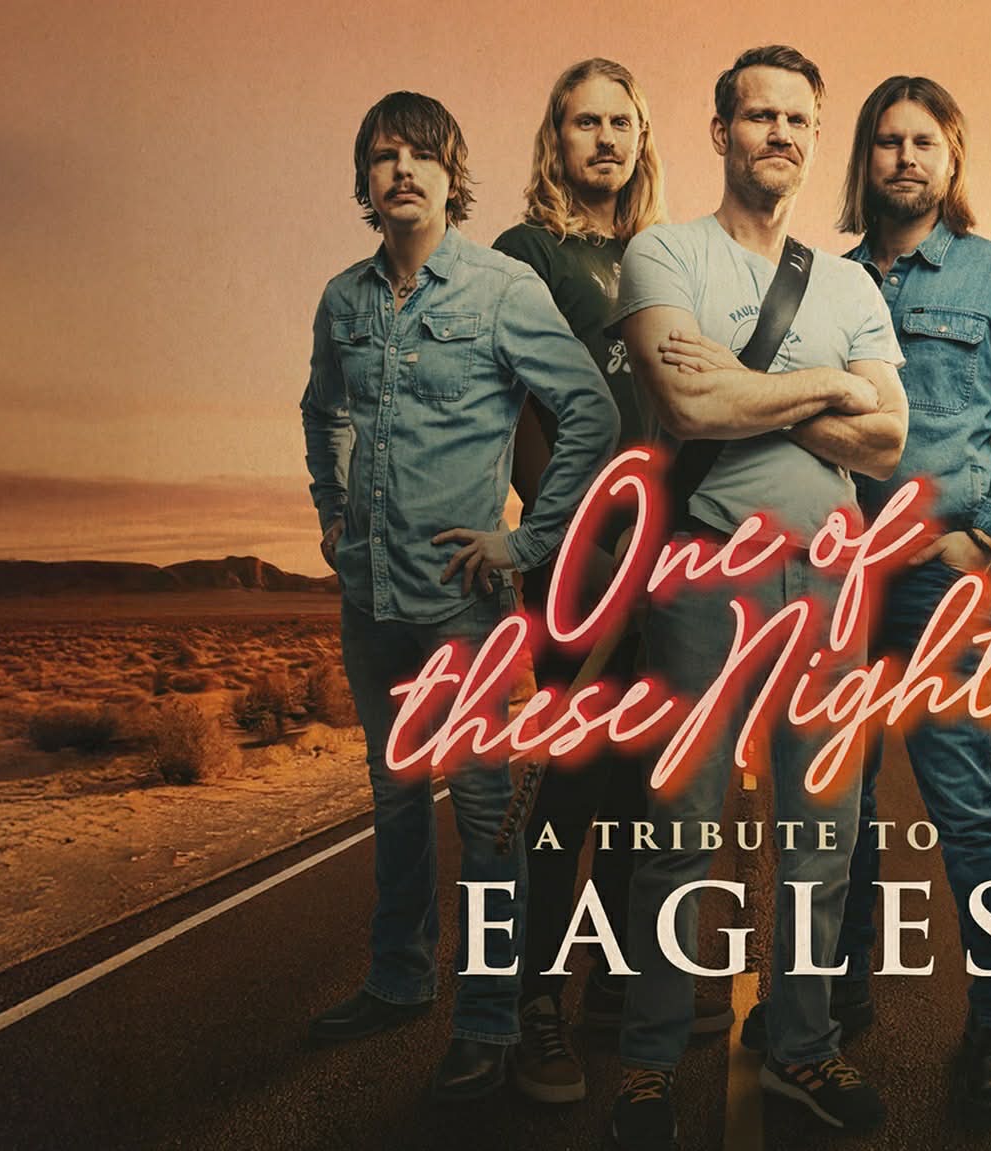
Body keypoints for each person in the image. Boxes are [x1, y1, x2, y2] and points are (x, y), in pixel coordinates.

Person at [604, 44, 908, 1150]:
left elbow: (887, 439)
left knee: (819, 830)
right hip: (701, 569)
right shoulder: (663, 253)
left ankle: (799, 1045)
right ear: (721, 132)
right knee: (679, 829)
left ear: (812, 139)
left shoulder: (851, 284)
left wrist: (755, 394)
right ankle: (645, 1065)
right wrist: (828, 382)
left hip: (827, 578)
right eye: (758, 116)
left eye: (797, 120)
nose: (778, 134)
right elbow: (684, 401)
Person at [298, 90, 618, 1102]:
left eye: (421, 157)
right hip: (370, 601)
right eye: (383, 157)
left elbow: (591, 414)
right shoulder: (343, 299)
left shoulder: (499, 288)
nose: (401, 172)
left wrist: (525, 538)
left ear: (451, 175)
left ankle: (485, 1020)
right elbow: (322, 410)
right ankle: (396, 979)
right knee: (393, 803)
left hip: (462, 607)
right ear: (365, 180)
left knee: (484, 819)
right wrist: (333, 514)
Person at [823, 74, 991, 1124]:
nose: (904, 158)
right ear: (864, 160)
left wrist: (982, 533)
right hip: (835, 578)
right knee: (836, 801)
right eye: (886, 141)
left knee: (965, 804)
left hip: (938, 571)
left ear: (951, 162)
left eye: (924, 142)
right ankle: (834, 1000)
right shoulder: (825, 288)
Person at [491, 57, 730, 1107]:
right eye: (583, 122)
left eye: (620, 123)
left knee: (644, 787)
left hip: (669, 559)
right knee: (570, 791)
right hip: (578, 565)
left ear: (642, 138)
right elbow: (519, 420)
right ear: (557, 139)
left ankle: (617, 988)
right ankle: (531, 1005)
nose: (604, 140)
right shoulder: (524, 255)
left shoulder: (667, 259)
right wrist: (584, 548)